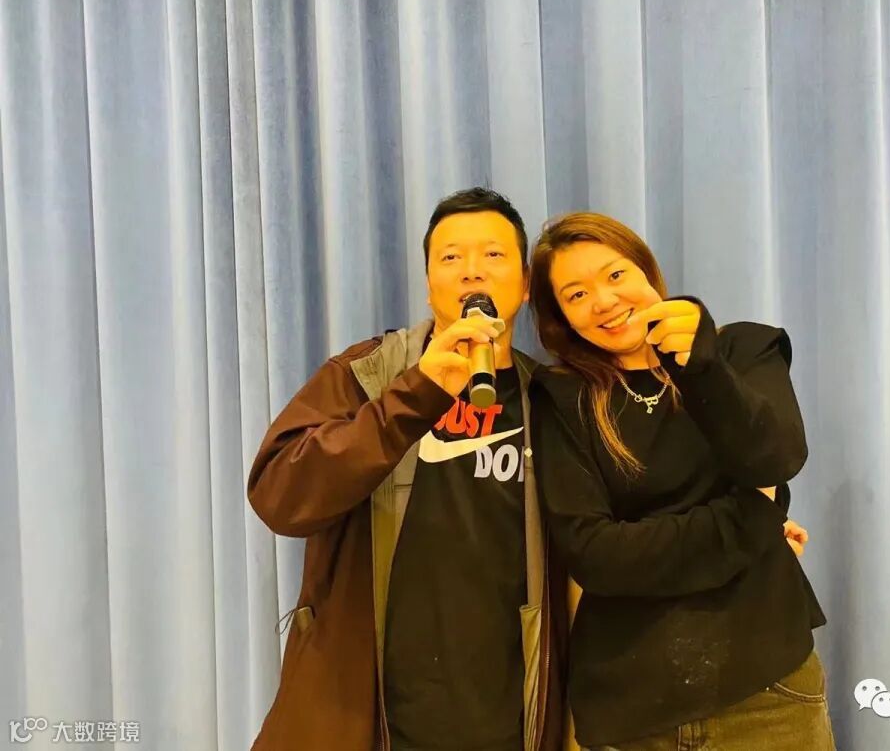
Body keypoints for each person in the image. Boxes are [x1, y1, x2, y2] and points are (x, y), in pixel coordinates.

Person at [246, 187, 567, 751]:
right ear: (429, 283)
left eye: (493, 255)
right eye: (451, 257)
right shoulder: (367, 375)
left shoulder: (549, 400)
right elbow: (279, 496)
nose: (471, 271)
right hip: (369, 716)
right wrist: (415, 395)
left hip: (503, 716)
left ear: (524, 286)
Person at [527, 212, 832, 751]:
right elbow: (594, 555)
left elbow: (775, 458)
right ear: (562, 318)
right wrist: (753, 520)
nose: (603, 300)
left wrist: (700, 366)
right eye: (576, 295)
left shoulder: (741, 350)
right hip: (633, 708)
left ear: (646, 270)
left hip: (765, 688)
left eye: (615, 275)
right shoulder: (562, 397)